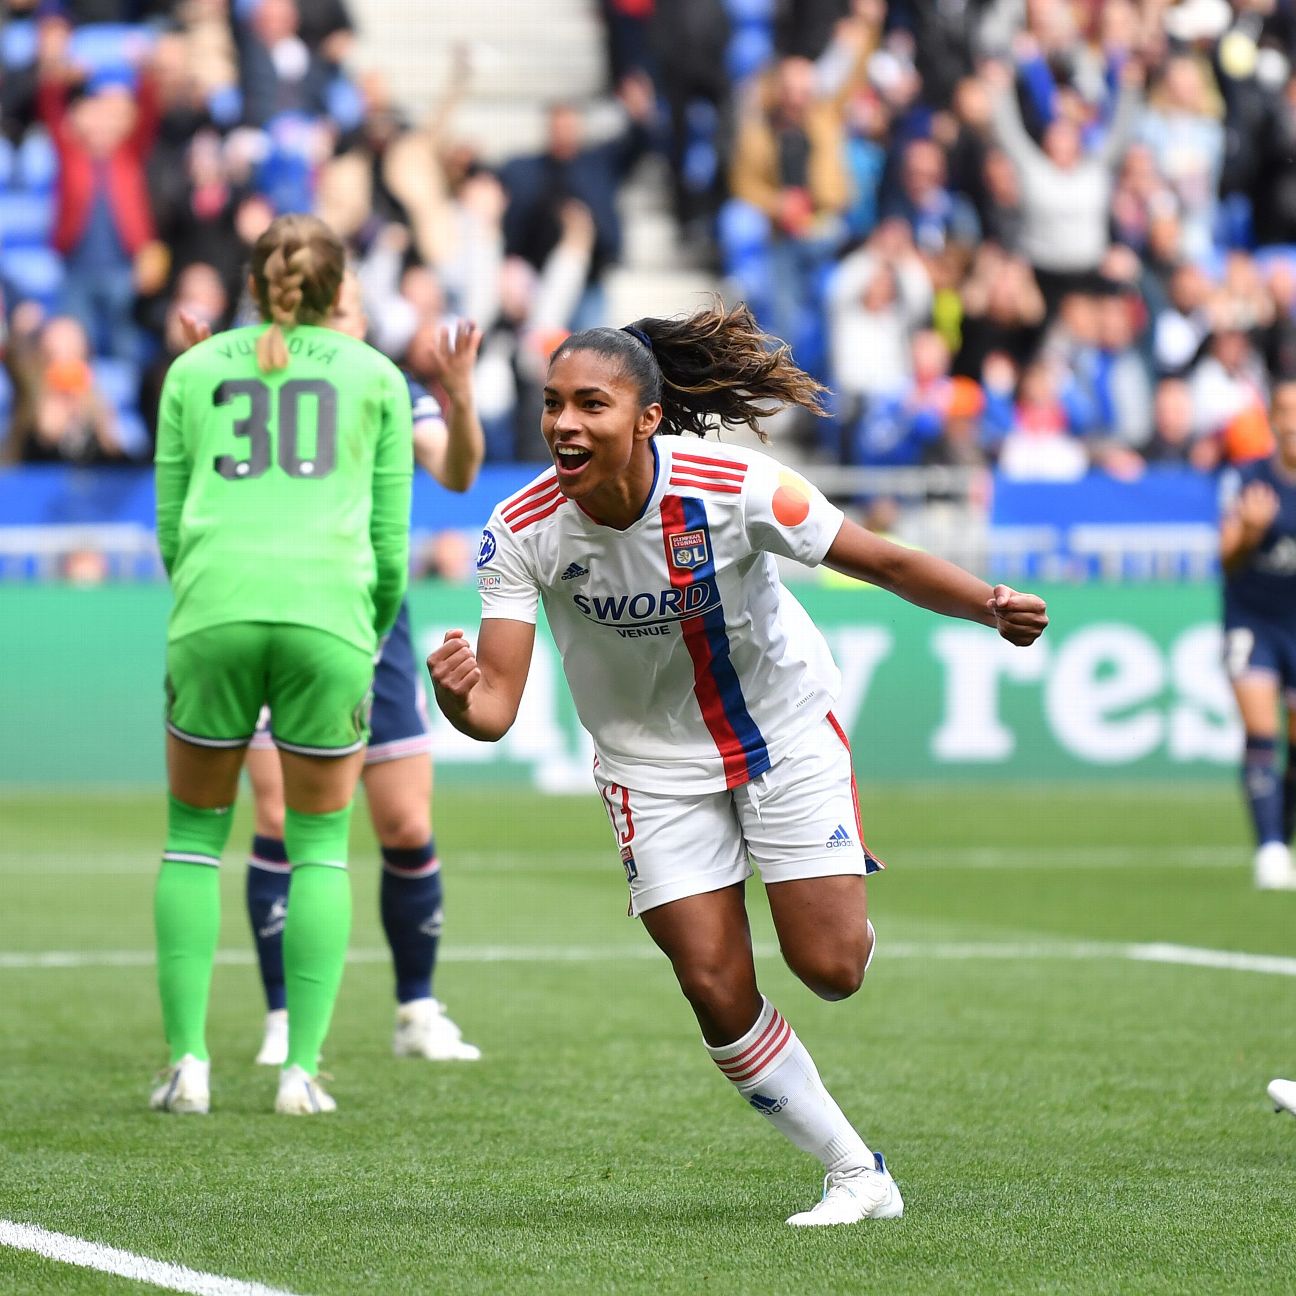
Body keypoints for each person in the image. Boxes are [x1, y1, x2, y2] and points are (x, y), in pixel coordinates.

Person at [428, 303, 1048, 1225]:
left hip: (783, 731)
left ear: (645, 418)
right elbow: (495, 708)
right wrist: (455, 692)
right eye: (554, 404)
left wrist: (987, 606)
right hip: (648, 767)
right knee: (714, 984)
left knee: (832, 966)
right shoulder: (520, 530)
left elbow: (878, 559)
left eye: (589, 404)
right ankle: (855, 1173)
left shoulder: (735, 483)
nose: (563, 423)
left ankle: (838, 899)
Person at [151, 213, 413, 1116]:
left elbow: (168, 526)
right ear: (342, 290)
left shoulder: (192, 368)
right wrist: (365, 630)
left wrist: (205, 600)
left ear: (251, 283)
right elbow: (390, 545)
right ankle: (300, 1071)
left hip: (213, 609)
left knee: (193, 838)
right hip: (328, 616)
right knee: (321, 850)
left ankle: (188, 1064)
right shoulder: (377, 376)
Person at [236, 270, 484, 1066]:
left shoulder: (389, 389)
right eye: (326, 312)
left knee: (407, 825)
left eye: (348, 310)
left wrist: (460, 397)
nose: (339, 323)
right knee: (278, 820)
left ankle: (416, 1010)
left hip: (376, 626)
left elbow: (455, 471)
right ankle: (282, 1017)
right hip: (284, 620)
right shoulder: (265, 392)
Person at [1219, 378, 1296, 892]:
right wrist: (1250, 531)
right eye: (1285, 409)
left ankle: (1280, 837)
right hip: (1253, 621)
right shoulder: (1250, 480)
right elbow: (1224, 558)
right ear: (1271, 418)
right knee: (1261, 731)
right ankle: (1269, 847)